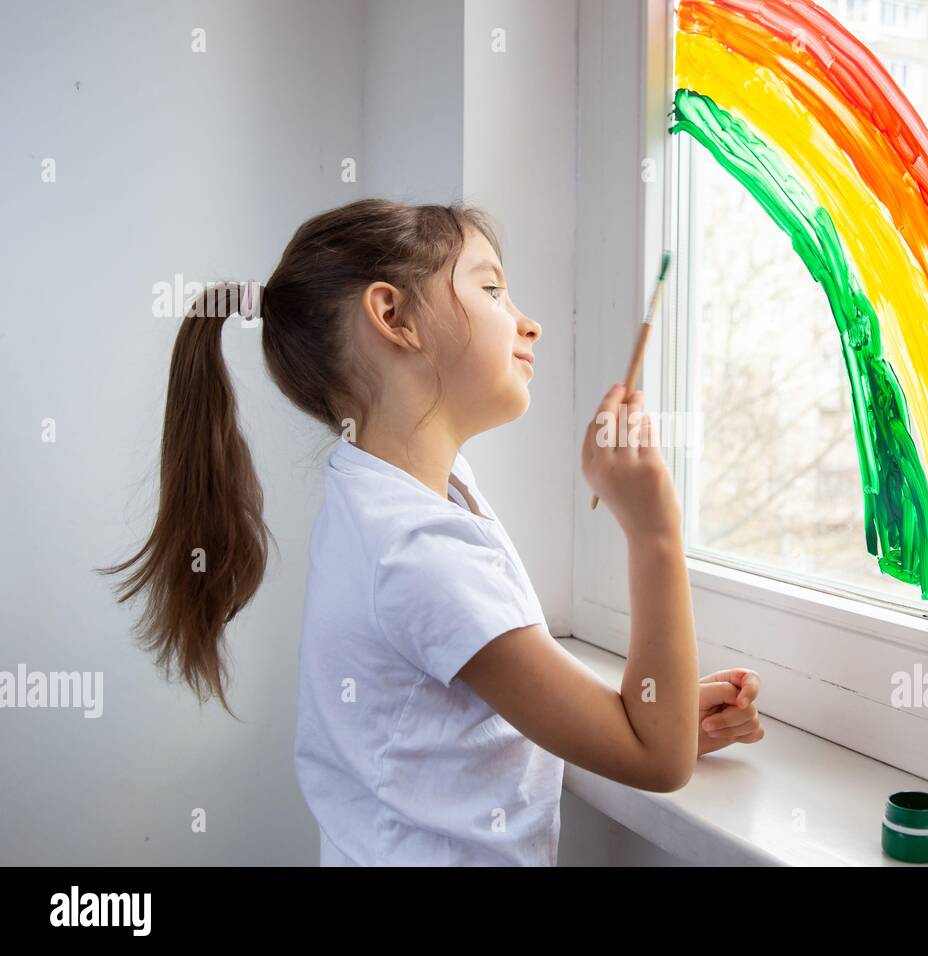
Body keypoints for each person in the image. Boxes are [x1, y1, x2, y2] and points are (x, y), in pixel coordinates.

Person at [100, 199, 764, 865]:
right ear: (395, 318)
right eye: (492, 288)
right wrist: (653, 531)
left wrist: (658, 713)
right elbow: (657, 759)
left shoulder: (397, 496)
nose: (528, 323)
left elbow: (497, 704)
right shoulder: (419, 553)